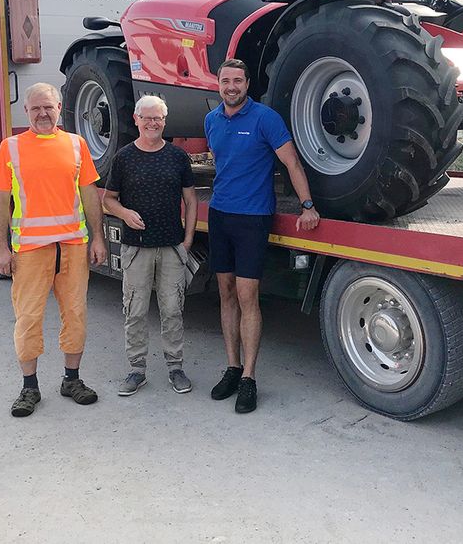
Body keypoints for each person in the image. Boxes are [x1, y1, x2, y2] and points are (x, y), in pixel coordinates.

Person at [204, 59, 320, 413]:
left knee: (247, 296)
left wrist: (307, 205)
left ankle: (249, 378)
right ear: (219, 84)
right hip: (219, 214)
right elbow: (220, 162)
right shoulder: (211, 120)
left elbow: (292, 163)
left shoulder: (265, 118)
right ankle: (232, 367)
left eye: (238, 80)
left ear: (247, 83)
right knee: (225, 293)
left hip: (253, 217)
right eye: (226, 81)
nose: (231, 86)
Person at [0, 82, 108, 418]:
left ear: (59, 108)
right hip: (30, 250)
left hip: (72, 246)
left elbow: (89, 194)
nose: (43, 113)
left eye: (48, 107)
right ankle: (30, 387)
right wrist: (1, 249)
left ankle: (72, 379)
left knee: (75, 314)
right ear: (26, 111)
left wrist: (98, 238)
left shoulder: (76, 144)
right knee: (28, 318)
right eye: (36, 108)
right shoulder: (11, 148)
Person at [103, 95, 198, 397]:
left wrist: (188, 240)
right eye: (147, 117)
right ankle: (137, 370)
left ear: (165, 121)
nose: (152, 123)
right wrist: (125, 214)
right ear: (136, 120)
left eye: (158, 118)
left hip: (171, 247)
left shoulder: (177, 157)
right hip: (136, 249)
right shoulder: (124, 158)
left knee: (173, 310)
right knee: (135, 311)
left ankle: (175, 368)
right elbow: (108, 199)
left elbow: (191, 200)